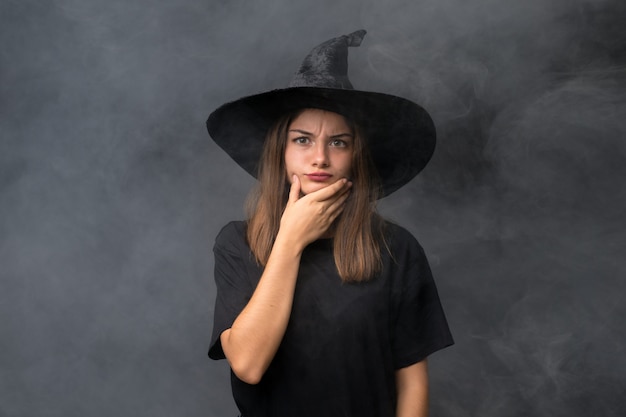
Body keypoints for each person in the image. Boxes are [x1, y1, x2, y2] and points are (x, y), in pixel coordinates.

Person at [207, 30, 453, 417]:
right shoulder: (238, 242)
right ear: (280, 152)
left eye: (338, 142)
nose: (319, 157)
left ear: (356, 155)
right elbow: (248, 365)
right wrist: (290, 239)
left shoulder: (395, 248)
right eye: (302, 140)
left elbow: (411, 382)